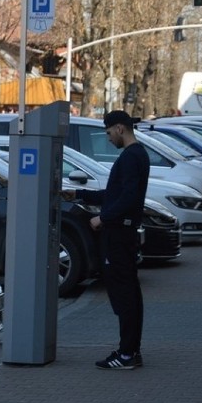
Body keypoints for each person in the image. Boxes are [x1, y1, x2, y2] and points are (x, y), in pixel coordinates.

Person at [60, 110, 150, 370]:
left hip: (119, 234)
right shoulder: (135, 155)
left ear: (120, 128)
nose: (108, 138)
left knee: (124, 295)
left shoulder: (132, 157)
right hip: (122, 232)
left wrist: (104, 218)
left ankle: (126, 354)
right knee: (129, 293)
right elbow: (113, 194)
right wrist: (77, 193)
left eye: (109, 132)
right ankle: (131, 350)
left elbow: (127, 198)